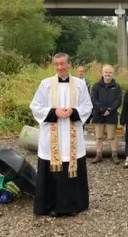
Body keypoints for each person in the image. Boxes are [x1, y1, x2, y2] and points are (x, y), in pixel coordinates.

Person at [30, 53, 93, 217]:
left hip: (72, 135)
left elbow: (88, 106)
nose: (60, 67)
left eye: (62, 64)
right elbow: (35, 106)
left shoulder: (80, 84)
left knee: (71, 171)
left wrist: (74, 111)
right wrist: (53, 111)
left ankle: (73, 205)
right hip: (52, 136)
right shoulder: (46, 84)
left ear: (69, 64)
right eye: (56, 64)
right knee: (52, 170)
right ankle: (50, 206)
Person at [90, 64, 122, 165]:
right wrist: (103, 109)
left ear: (113, 74)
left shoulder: (117, 87)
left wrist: (110, 110)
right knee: (98, 137)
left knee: (112, 136)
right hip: (98, 114)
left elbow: (118, 100)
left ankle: (114, 155)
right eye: (106, 72)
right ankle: (98, 155)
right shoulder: (96, 86)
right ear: (102, 73)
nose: (108, 74)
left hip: (111, 115)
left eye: (110, 72)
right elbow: (93, 99)